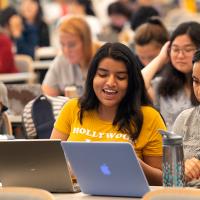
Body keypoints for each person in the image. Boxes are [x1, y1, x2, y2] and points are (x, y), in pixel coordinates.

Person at [51, 42, 166, 186]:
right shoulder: (72, 108)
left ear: (132, 82)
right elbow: (51, 165)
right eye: (103, 74)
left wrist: (134, 164)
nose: (111, 82)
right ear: (92, 77)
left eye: (121, 77)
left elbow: (164, 180)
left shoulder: (149, 117)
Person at [142, 21, 200, 130]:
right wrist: (160, 58)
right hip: (170, 146)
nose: (180, 55)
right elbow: (135, 85)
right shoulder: (162, 85)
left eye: (188, 50)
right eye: (175, 49)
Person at [42, 15, 102, 97]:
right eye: (62, 44)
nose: (66, 51)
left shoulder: (104, 58)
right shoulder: (61, 61)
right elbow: (46, 98)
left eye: (72, 45)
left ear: (86, 42)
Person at [172, 49, 200, 184]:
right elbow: (169, 179)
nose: (199, 90)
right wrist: (181, 171)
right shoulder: (184, 119)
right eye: (196, 81)